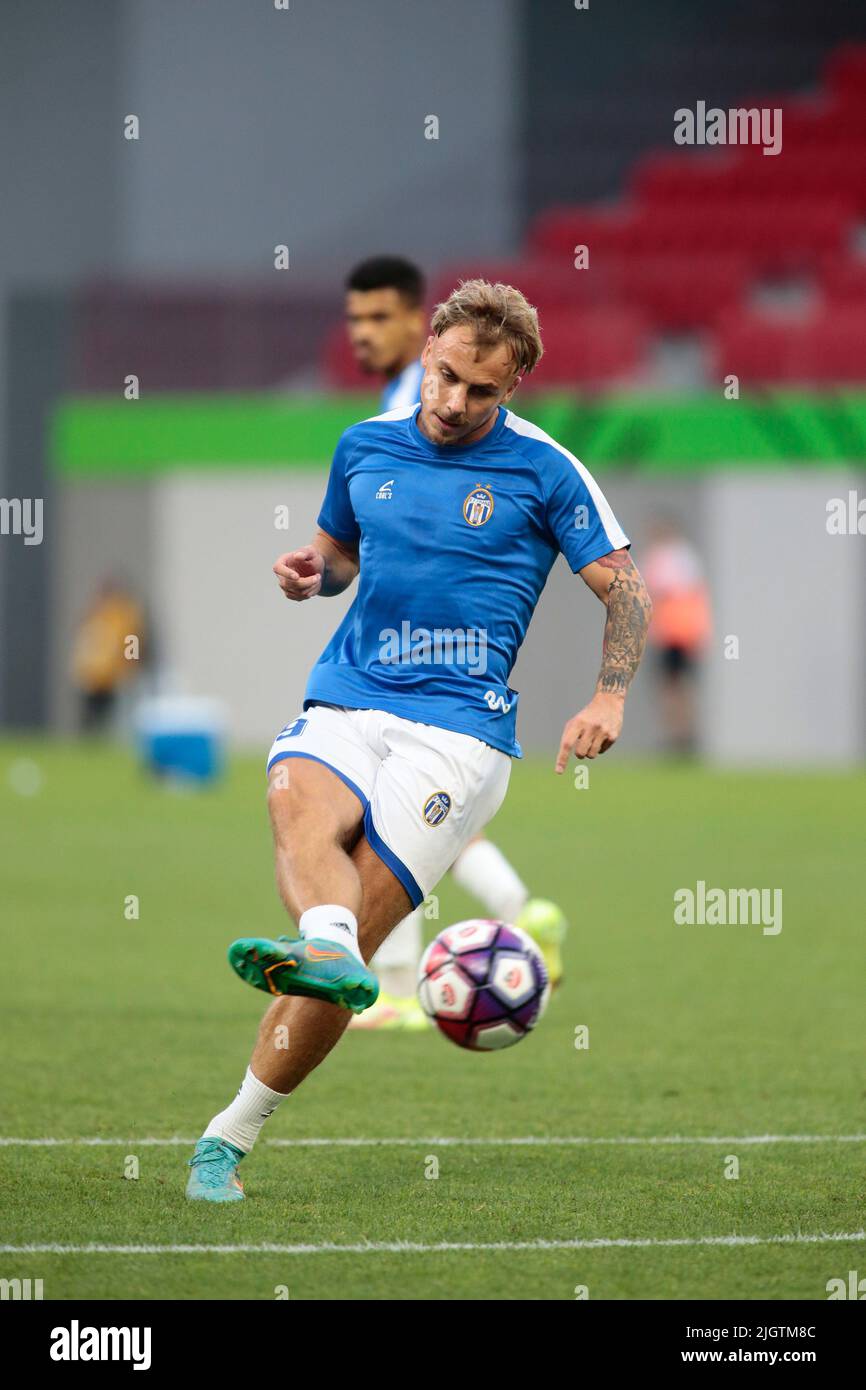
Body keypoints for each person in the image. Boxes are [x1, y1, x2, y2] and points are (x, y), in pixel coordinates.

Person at [186, 279, 652, 1202]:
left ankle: (228, 1136)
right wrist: (312, 576)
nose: (452, 403)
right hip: (350, 694)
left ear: (512, 384)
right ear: (428, 347)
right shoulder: (363, 445)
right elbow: (343, 556)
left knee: (346, 951)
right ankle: (324, 945)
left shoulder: (546, 470)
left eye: (480, 391)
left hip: (460, 736)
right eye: (443, 377)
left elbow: (628, 587)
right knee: (294, 803)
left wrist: (609, 696)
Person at [343, 255, 567, 1031]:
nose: (362, 335)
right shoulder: (393, 406)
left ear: (419, 324)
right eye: (354, 319)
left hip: (425, 667)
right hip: (409, 659)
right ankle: (519, 910)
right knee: (423, 821)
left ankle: (400, 986)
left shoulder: (425, 397)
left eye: (378, 319)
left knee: (385, 823)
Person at [643, 516, 711, 756]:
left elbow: (664, 592)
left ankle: (683, 738)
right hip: (671, 633)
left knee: (677, 686)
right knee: (671, 687)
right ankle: (677, 736)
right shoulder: (675, 557)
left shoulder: (676, 558)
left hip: (678, 634)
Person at [71, 578, 146, 733]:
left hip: (112, 675)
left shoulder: (123, 615)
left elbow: (131, 640)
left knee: (110, 714)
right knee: (90, 715)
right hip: (93, 674)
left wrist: (130, 666)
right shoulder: (96, 613)